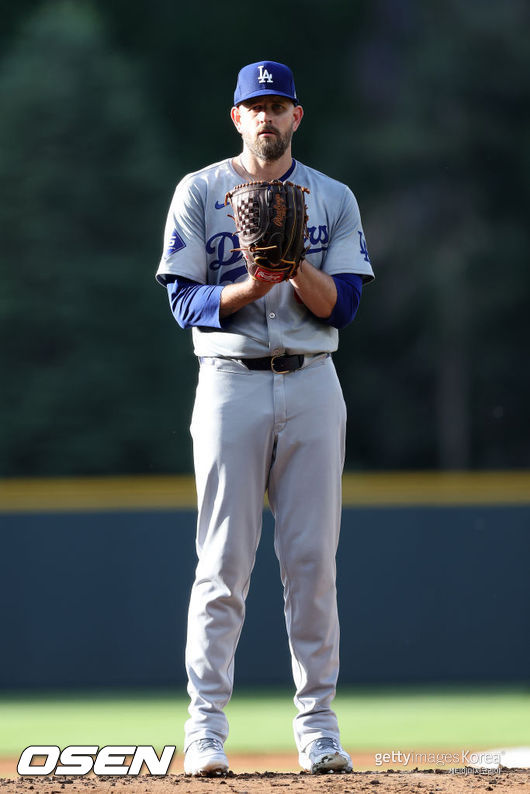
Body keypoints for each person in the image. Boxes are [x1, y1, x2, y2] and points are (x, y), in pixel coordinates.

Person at [156, 60, 374, 777]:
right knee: (222, 564)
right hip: (228, 383)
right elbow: (184, 302)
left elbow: (340, 305)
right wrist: (256, 279)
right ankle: (206, 731)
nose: (268, 117)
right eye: (257, 106)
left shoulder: (334, 196)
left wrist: (291, 267)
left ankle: (317, 728)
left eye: (280, 105)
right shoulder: (200, 191)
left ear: (297, 117)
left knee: (311, 565)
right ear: (238, 118)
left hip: (313, 380)